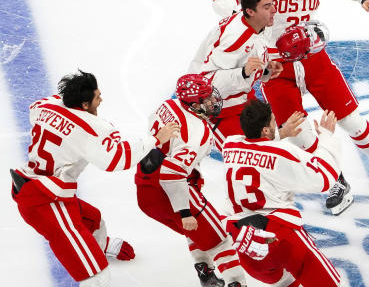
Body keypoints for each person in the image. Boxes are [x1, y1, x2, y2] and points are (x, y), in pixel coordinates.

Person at [212, 0, 369, 214]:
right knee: (296, 132)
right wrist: (234, 15)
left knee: (351, 121)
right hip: (276, 66)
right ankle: (336, 181)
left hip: (312, 57)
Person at [10, 70, 179, 286]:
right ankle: (88, 257)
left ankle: (95, 247)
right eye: (97, 97)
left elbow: (38, 107)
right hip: (47, 201)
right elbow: (117, 159)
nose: (101, 100)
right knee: (97, 277)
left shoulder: (46, 105)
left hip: (39, 186)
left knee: (94, 221)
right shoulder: (90, 129)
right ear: (84, 105)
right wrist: (155, 139)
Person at [135, 74, 246, 287]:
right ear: (194, 104)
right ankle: (237, 283)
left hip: (144, 187)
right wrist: (184, 211)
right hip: (169, 188)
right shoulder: (197, 132)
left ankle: (205, 272)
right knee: (219, 239)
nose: (213, 101)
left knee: (198, 229)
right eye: (206, 99)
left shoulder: (168, 105)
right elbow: (172, 174)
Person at [222, 99, 343, 286]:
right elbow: (324, 178)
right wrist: (327, 136)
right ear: (265, 130)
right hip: (279, 237)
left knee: (287, 282)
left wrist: (279, 134)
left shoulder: (229, 146)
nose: (276, 124)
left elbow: (254, 149)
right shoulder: (282, 153)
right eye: (273, 122)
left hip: (247, 247)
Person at [189, 0, 283, 152]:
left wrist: (265, 70)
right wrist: (243, 73)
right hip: (219, 109)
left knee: (270, 141)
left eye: (272, 4)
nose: (274, 10)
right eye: (267, 6)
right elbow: (207, 83)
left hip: (243, 98)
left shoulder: (258, 23)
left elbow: (250, 56)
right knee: (250, 155)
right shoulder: (234, 40)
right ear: (250, 11)